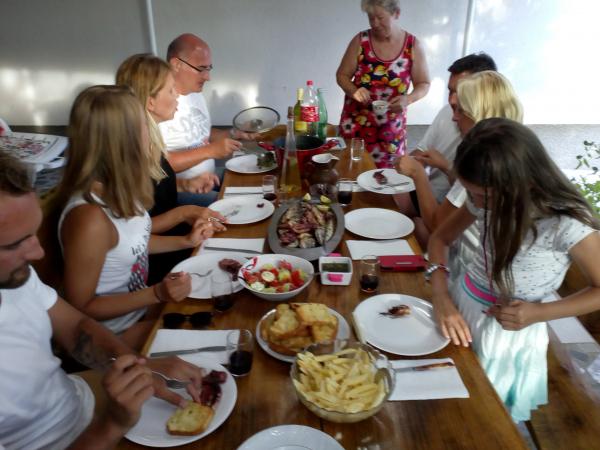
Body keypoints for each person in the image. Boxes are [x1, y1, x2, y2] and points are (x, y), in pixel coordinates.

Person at [0, 151, 204, 449]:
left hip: (84, 403)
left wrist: (138, 368)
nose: (38, 253)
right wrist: (112, 426)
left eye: (33, 234)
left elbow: (76, 327)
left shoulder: (13, 279)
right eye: (15, 244)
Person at [427, 118, 600, 421]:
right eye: (470, 193)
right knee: (447, 399)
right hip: (460, 306)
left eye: (484, 197)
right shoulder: (483, 198)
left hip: (510, 332)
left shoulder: (566, 223)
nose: (476, 203)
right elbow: (440, 238)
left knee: (486, 415)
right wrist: (441, 295)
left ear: (524, 184)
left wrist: (539, 313)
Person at [56, 86, 214, 350]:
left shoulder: (118, 188)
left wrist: (187, 241)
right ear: (122, 140)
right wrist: (157, 293)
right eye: (143, 125)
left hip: (142, 312)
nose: (150, 133)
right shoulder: (89, 218)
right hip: (115, 336)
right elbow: (81, 306)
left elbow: (134, 243)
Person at [115, 53, 227, 284]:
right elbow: (132, 231)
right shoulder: (131, 150)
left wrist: (185, 184)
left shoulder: (151, 137)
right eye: (170, 90)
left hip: (173, 232)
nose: (177, 95)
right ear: (150, 102)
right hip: (157, 255)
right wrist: (183, 213)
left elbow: (153, 187)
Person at [396, 71, 522, 266]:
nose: (454, 118)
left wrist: (417, 174)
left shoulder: (484, 163)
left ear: (480, 115)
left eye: (461, 111)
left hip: (466, 267)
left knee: (410, 227)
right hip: (462, 259)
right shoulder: (506, 152)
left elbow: (438, 228)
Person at [159, 33, 257, 206]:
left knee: (255, 183)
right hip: (180, 190)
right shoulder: (159, 105)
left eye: (209, 68)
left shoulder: (195, 94)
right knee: (237, 208)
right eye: (201, 69)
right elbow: (158, 166)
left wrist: (235, 133)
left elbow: (202, 133)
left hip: (208, 177)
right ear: (176, 64)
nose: (207, 77)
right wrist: (210, 151)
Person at [336, 0, 430, 168]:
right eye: (370, 18)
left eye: (380, 17)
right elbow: (342, 75)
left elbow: (424, 83)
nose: (374, 24)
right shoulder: (361, 41)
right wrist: (353, 91)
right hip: (355, 126)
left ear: (396, 13)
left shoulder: (412, 45)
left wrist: (408, 99)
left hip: (390, 131)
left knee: (389, 178)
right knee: (351, 172)